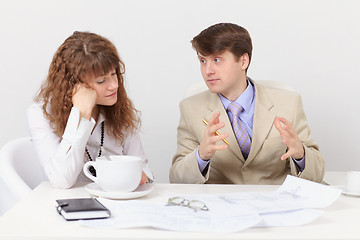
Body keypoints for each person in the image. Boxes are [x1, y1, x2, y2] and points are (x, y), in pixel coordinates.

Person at [170, 23, 324, 184]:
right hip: (220, 204)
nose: (208, 70)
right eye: (202, 61)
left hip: (275, 201)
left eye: (217, 59)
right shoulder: (190, 108)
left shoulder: (288, 103)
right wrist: (201, 156)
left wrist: (300, 155)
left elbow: (317, 174)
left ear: (243, 61)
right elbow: (177, 178)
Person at [28, 31, 153, 189]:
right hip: (69, 205)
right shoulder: (41, 114)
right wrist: (81, 114)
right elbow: (61, 181)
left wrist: (140, 177)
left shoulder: (119, 110)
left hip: (118, 202)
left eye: (114, 74)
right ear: (73, 85)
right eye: (101, 81)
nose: (114, 85)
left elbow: (145, 172)